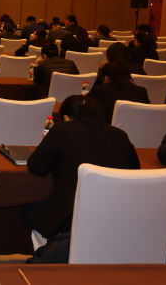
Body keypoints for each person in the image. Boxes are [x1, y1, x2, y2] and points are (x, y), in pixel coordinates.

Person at [24, 96, 140, 261]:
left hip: (69, 217)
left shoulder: (61, 131)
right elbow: (135, 172)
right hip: (117, 216)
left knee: (27, 211)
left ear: (66, 118)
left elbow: (36, 167)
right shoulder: (119, 135)